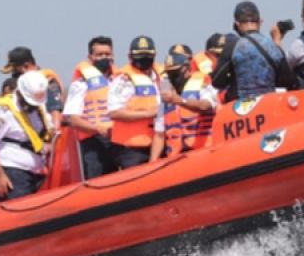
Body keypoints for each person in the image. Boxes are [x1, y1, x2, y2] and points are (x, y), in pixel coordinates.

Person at [0, 70, 54, 200]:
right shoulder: (3, 112)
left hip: (38, 172)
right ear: (20, 92)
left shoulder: (38, 108)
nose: (31, 106)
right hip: (14, 172)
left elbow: (46, 132)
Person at [210, 1, 295, 102]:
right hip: (268, 105)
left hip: (241, 109)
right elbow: (288, 81)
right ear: (260, 22)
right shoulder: (273, 47)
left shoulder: (232, 46)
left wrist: (233, 78)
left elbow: (217, 82)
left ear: (237, 24)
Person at [63, 36, 118, 179]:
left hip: (118, 140)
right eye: (99, 55)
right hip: (93, 142)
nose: (104, 58)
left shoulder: (120, 81)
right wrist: (97, 128)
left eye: (107, 54)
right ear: (91, 57)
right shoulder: (81, 84)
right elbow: (73, 119)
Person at [108, 35, 165, 169]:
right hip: (131, 148)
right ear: (130, 56)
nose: (144, 60)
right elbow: (114, 112)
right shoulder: (123, 79)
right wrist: (148, 114)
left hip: (158, 142)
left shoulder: (162, 76)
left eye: (148, 56)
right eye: (140, 57)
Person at [161, 46, 218, 155]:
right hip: (176, 155)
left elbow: (205, 106)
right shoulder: (166, 92)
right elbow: (159, 133)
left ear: (186, 70)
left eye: (175, 73)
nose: (172, 77)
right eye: (169, 74)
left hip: (203, 150)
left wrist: (180, 101)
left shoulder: (202, 82)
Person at [0, 46, 65, 126]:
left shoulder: (45, 81)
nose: (14, 76)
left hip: (43, 133)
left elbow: (55, 113)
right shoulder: (15, 85)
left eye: (15, 71)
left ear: (26, 66)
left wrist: (54, 133)